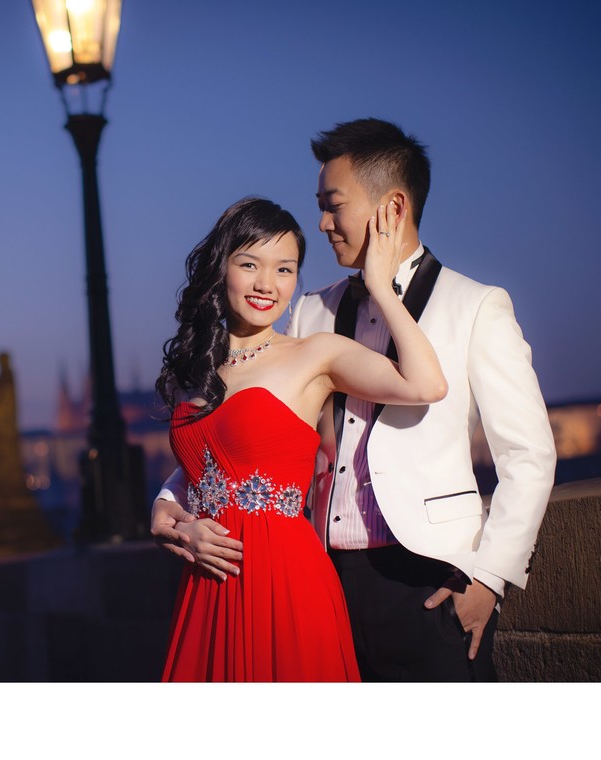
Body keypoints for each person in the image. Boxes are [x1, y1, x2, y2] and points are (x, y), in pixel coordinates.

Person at [153, 119, 557, 682]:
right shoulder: (312, 311)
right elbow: (247, 441)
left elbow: (529, 457)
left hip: (428, 578)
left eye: (333, 205)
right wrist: (167, 504)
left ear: (391, 208)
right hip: (323, 571)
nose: (321, 223)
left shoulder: (476, 306)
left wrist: (489, 579)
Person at [156, 196, 447, 681]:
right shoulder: (196, 369)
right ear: (221, 266)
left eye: (285, 269)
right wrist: (167, 512)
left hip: (282, 575)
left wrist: (379, 286)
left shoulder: (314, 354)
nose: (267, 284)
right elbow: (208, 464)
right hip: (208, 579)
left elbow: (426, 384)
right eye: (250, 263)